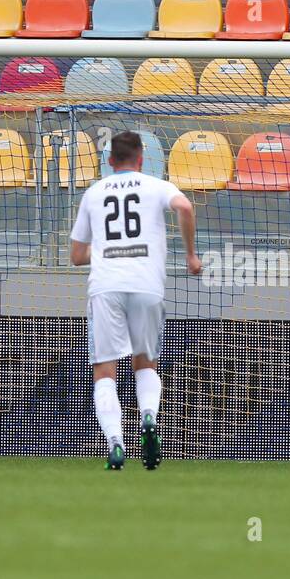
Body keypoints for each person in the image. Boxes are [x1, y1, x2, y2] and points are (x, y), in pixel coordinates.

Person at [69, 131, 201, 470]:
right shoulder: (156, 186)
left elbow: (76, 255)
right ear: (141, 159)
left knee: (104, 370)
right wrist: (190, 255)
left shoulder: (94, 193)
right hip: (147, 286)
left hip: (107, 287)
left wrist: (106, 250)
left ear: (110, 161)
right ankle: (148, 417)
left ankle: (115, 441)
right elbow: (185, 206)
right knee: (145, 364)